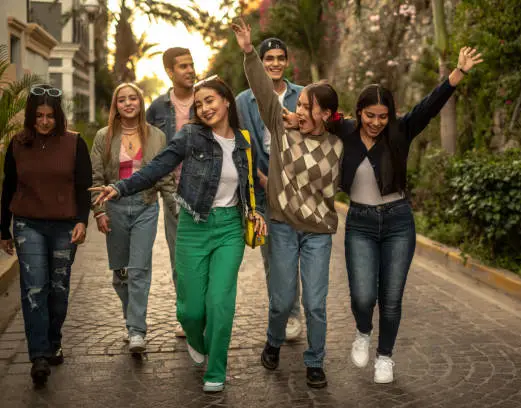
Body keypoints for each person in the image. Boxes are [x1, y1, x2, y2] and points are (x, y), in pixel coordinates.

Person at [90, 76, 267, 393]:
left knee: (220, 302)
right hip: (193, 226)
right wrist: (120, 187)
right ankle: (197, 340)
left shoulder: (243, 140)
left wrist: (258, 212)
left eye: (210, 100)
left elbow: (250, 183)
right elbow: (156, 167)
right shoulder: (191, 136)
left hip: (229, 228)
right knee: (190, 310)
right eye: (199, 104)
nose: (204, 107)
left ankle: (216, 369)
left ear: (226, 101)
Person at [338, 47, 484, 383]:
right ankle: (363, 331)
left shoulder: (400, 131)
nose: (376, 122)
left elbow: (429, 106)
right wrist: (295, 119)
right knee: (362, 295)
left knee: (391, 296)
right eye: (370, 115)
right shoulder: (344, 131)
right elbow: (318, 117)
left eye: (382, 116)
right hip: (359, 223)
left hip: (398, 222)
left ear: (390, 115)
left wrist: (458, 72)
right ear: (359, 112)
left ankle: (385, 356)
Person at [233, 19, 344, 389]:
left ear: (324, 115)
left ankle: (315, 361)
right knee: (281, 300)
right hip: (281, 225)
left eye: (305, 106)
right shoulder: (281, 128)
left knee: (314, 303)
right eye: (297, 104)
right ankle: (274, 340)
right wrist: (249, 52)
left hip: (318, 234)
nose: (296, 109)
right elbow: (265, 93)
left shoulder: (337, 145)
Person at [0, 84, 92, 385]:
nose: (44, 121)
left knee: (59, 289)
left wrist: (82, 221)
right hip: (29, 225)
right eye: (38, 115)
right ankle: (39, 355)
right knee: (34, 288)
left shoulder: (74, 144)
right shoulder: (17, 144)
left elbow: (83, 186)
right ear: (31, 116)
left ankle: (53, 340)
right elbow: (9, 188)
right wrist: (3, 228)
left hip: (65, 226)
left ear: (58, 116)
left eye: (50, 116)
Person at [90, 83, 176, 353]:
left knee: (139, 269)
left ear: (140, 103)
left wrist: (175, 208)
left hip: (145, 206)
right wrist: (99, 212)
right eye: (122, 100)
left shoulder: (157, 136)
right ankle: (131, 320)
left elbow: (164, 176)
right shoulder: (104, 136)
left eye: (133, 99)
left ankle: (137, 330)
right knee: (121, 273)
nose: (128, 103)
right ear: (116, 106)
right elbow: (96, 178)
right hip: (114, 208)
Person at [236, 37, 304, 341]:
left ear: (286, 62)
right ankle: (284, 311)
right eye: (269, 59)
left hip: (296, 188)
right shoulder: (242, 101)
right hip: (261, 188)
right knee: (272, 257)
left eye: (280, 58)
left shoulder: (303, 95)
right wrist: (259, 177)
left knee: (291, 255)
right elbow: (241, 144)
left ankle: (292, 311)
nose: (275, 63)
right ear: (260, 63)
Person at [145, 47, 196, 338]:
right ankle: (186, 313)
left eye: (191, 65)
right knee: (180, 257)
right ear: (169, 72)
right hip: (173, 192)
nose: (189, 70)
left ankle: (203, 310)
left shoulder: (207, 100)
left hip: (207, 190)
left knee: (207, 254)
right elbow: (151, 151)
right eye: (183, 67)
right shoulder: (157, 108)